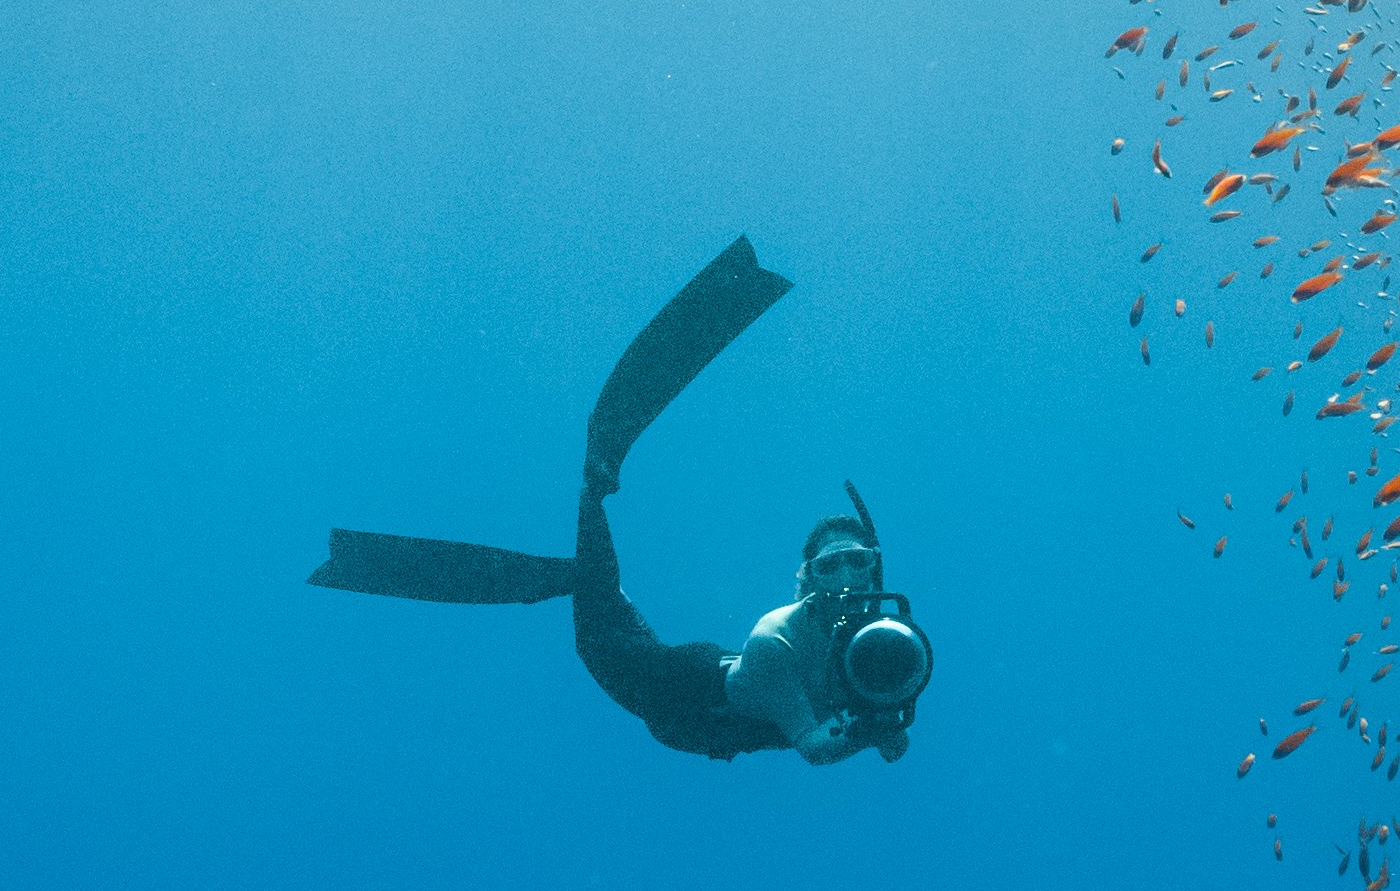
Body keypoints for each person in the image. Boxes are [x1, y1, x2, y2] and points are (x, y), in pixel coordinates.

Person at [308, 237, 933, 770]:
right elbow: (814, 748)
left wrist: (883, 721)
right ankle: (595, 474)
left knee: (588, 583)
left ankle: (567, 576)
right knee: (595, 589)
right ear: (804, 578)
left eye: (859, 559)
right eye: (831, 564)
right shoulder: (777, 640)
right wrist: (873, 733)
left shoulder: (885, 638)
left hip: (714, 713)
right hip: (656, 685)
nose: (849, 573)